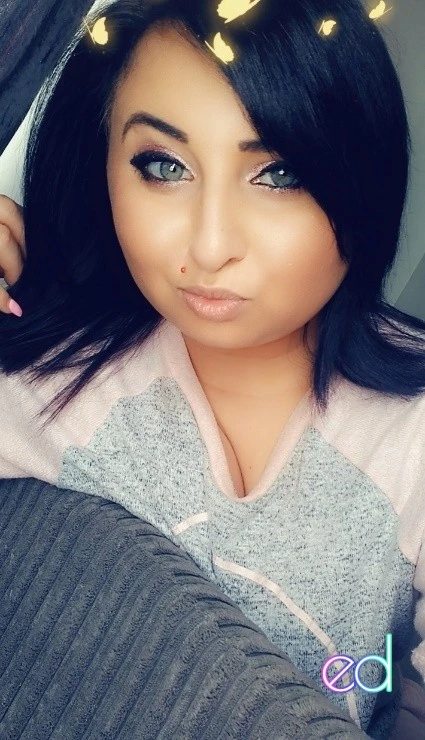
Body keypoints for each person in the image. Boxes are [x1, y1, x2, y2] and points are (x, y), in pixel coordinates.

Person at [0, 0, 425, 736]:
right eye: (164, 167)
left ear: (362, 178)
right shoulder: (52, 375)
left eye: (279, 173)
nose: (210, 244)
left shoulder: (411, 433)